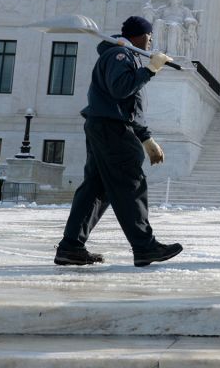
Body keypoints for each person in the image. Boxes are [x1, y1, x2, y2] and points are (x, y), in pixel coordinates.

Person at [54, 15, 182, 268]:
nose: (151, 42)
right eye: (150, 37)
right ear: (141, 36)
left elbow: (129, 103)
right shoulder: (119, 56)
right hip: (112, 129)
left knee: (96, 189)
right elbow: (121, 89)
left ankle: (71, 247)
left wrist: (146, 138)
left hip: (105, 126)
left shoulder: (121, 55)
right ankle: (145, 247)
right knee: (129, 184)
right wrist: (150, 70)